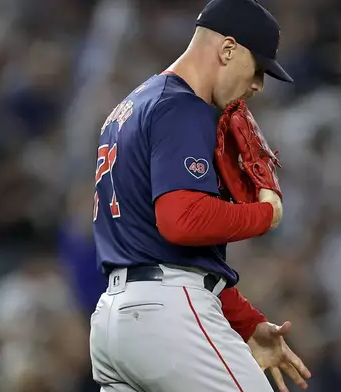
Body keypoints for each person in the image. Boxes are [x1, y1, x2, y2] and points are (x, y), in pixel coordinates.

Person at [88, 0, 311, 391]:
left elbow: (161, 249)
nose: (258, 85)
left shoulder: (128, 108)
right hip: (165, 317)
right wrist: (265, 215)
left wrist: (245, 322)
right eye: (258, 69)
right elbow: (181, 221)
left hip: (114, 324)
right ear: (227, 50)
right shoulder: (184, 108)